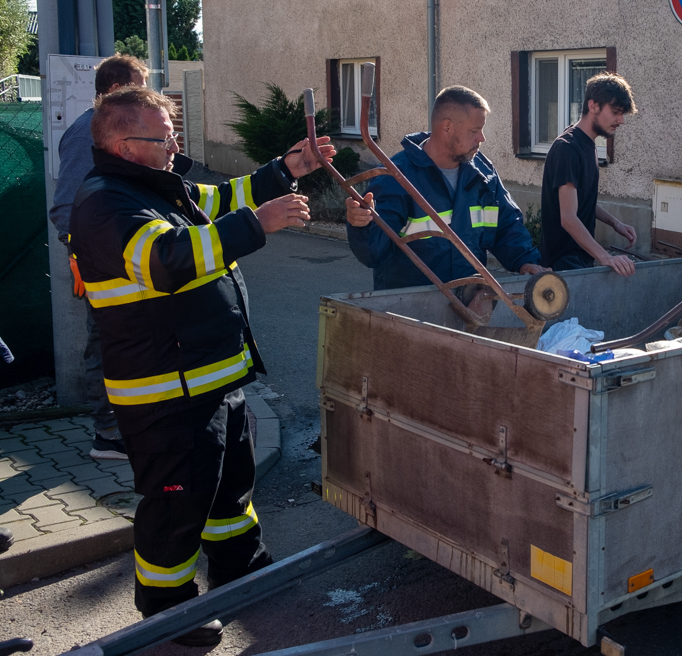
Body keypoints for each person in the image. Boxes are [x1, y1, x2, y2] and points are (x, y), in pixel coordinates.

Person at [69, 86, 332, 646]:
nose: (175, 147)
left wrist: (286, 169)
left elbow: (223, 199)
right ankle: (168, 610)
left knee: (229, 490)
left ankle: (242, 569)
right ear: (124, 145)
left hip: (210, 380)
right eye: (164, 138)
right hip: (165, 393)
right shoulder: (105, 203)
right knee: (176, 506)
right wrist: (257, 224)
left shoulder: (156, 186)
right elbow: (166, 261)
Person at [48, 55, 149, 461]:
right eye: (139, 87)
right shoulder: (85, 134)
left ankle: (127, 426)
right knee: (106, 340)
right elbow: (65, 206)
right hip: (105, 262)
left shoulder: (116, 133)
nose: (147, 95)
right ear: (115, 90)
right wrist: (82, 256)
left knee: (127, 341)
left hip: (127, 258)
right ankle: (108, 434)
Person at [346, 86, 545, 288]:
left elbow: (506, 225)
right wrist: (362, 224)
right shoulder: (395, 177)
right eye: (474, 131)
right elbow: (372, 253)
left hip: (470, 299)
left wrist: (524, 260)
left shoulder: (483, 174)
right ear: (447, 128)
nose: (482, 138)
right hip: (410, 304)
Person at [539, 73, 639, 274]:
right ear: (593, 106)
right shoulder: (567, 148)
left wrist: (615, 223)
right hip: (563, 264)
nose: (621, 120)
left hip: (580, 259)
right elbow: (568, 218)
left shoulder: (588, 144)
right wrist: (605, 257)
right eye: (616, 112)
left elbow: (583, 201)